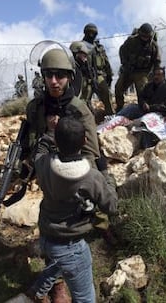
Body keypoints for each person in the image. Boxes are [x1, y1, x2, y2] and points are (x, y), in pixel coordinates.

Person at [26, 116, 118, 303]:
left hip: (46, 236)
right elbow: (111, 206)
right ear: (84, 141)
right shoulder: (91, 177)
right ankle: (39, 290)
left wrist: (50, 131)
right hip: (71, 246)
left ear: (57, 142)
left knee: (56, 261)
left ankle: (37, 291)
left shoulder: (44, 164)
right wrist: (106, 174)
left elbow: (40, 150)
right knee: (85, 298)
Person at [114, 22, 161, 112]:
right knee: (118, 88)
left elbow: (157, 62)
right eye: (143, 36)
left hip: (142, 73)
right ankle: (119, 108)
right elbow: (122, 51)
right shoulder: (131, 41)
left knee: (143, 92)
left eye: (147, 37)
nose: (144, 39)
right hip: (129, 70)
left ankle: (143, 111)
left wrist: (156, 76)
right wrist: (125, 63)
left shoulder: (153, 46)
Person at [82, 23, 114, 115]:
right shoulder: (79, 46)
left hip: (98, 75)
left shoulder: (99, 48)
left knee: (106, 95)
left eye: (94, 33)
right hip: (85, 76)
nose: (91, 35)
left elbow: (106, 62)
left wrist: (109, 75)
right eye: (89, 32)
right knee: (84, 99)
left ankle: (110, 114)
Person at [69, 40, 97, 111]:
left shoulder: (77, 69)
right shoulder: (72, 70)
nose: (85, 60)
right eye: (84, 56)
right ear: (76, 54)